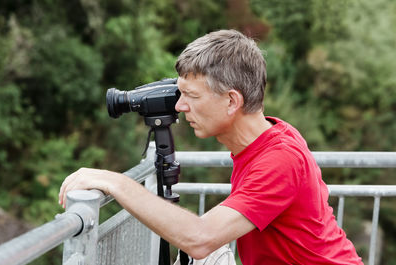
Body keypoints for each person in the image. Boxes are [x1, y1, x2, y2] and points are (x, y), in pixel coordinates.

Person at [59, 29, 363, 264]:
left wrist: (116, 182)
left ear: (232, 101)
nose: (179, 106)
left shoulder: (280, 160)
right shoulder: (266, 137)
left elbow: (200, 238)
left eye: (191, 95)